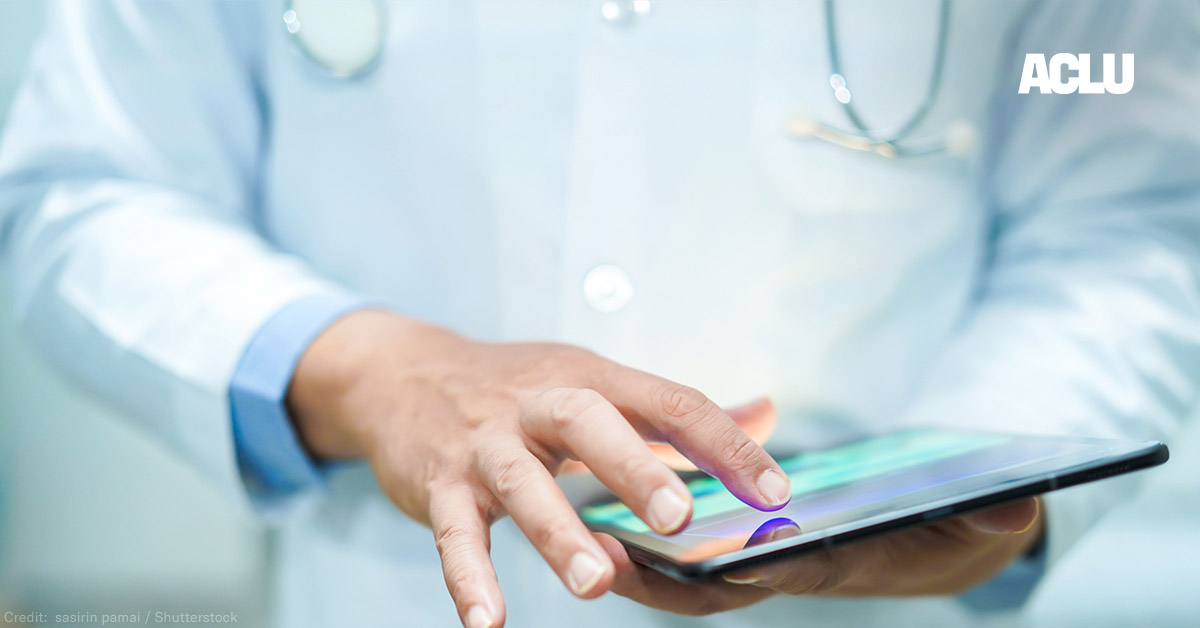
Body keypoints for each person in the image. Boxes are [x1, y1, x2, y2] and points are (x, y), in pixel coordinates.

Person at [1, 1, 1197, 627]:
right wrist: (374, 370)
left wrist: (984, 465)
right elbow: (86, 182)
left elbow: (1132, 213)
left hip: (875, 612)